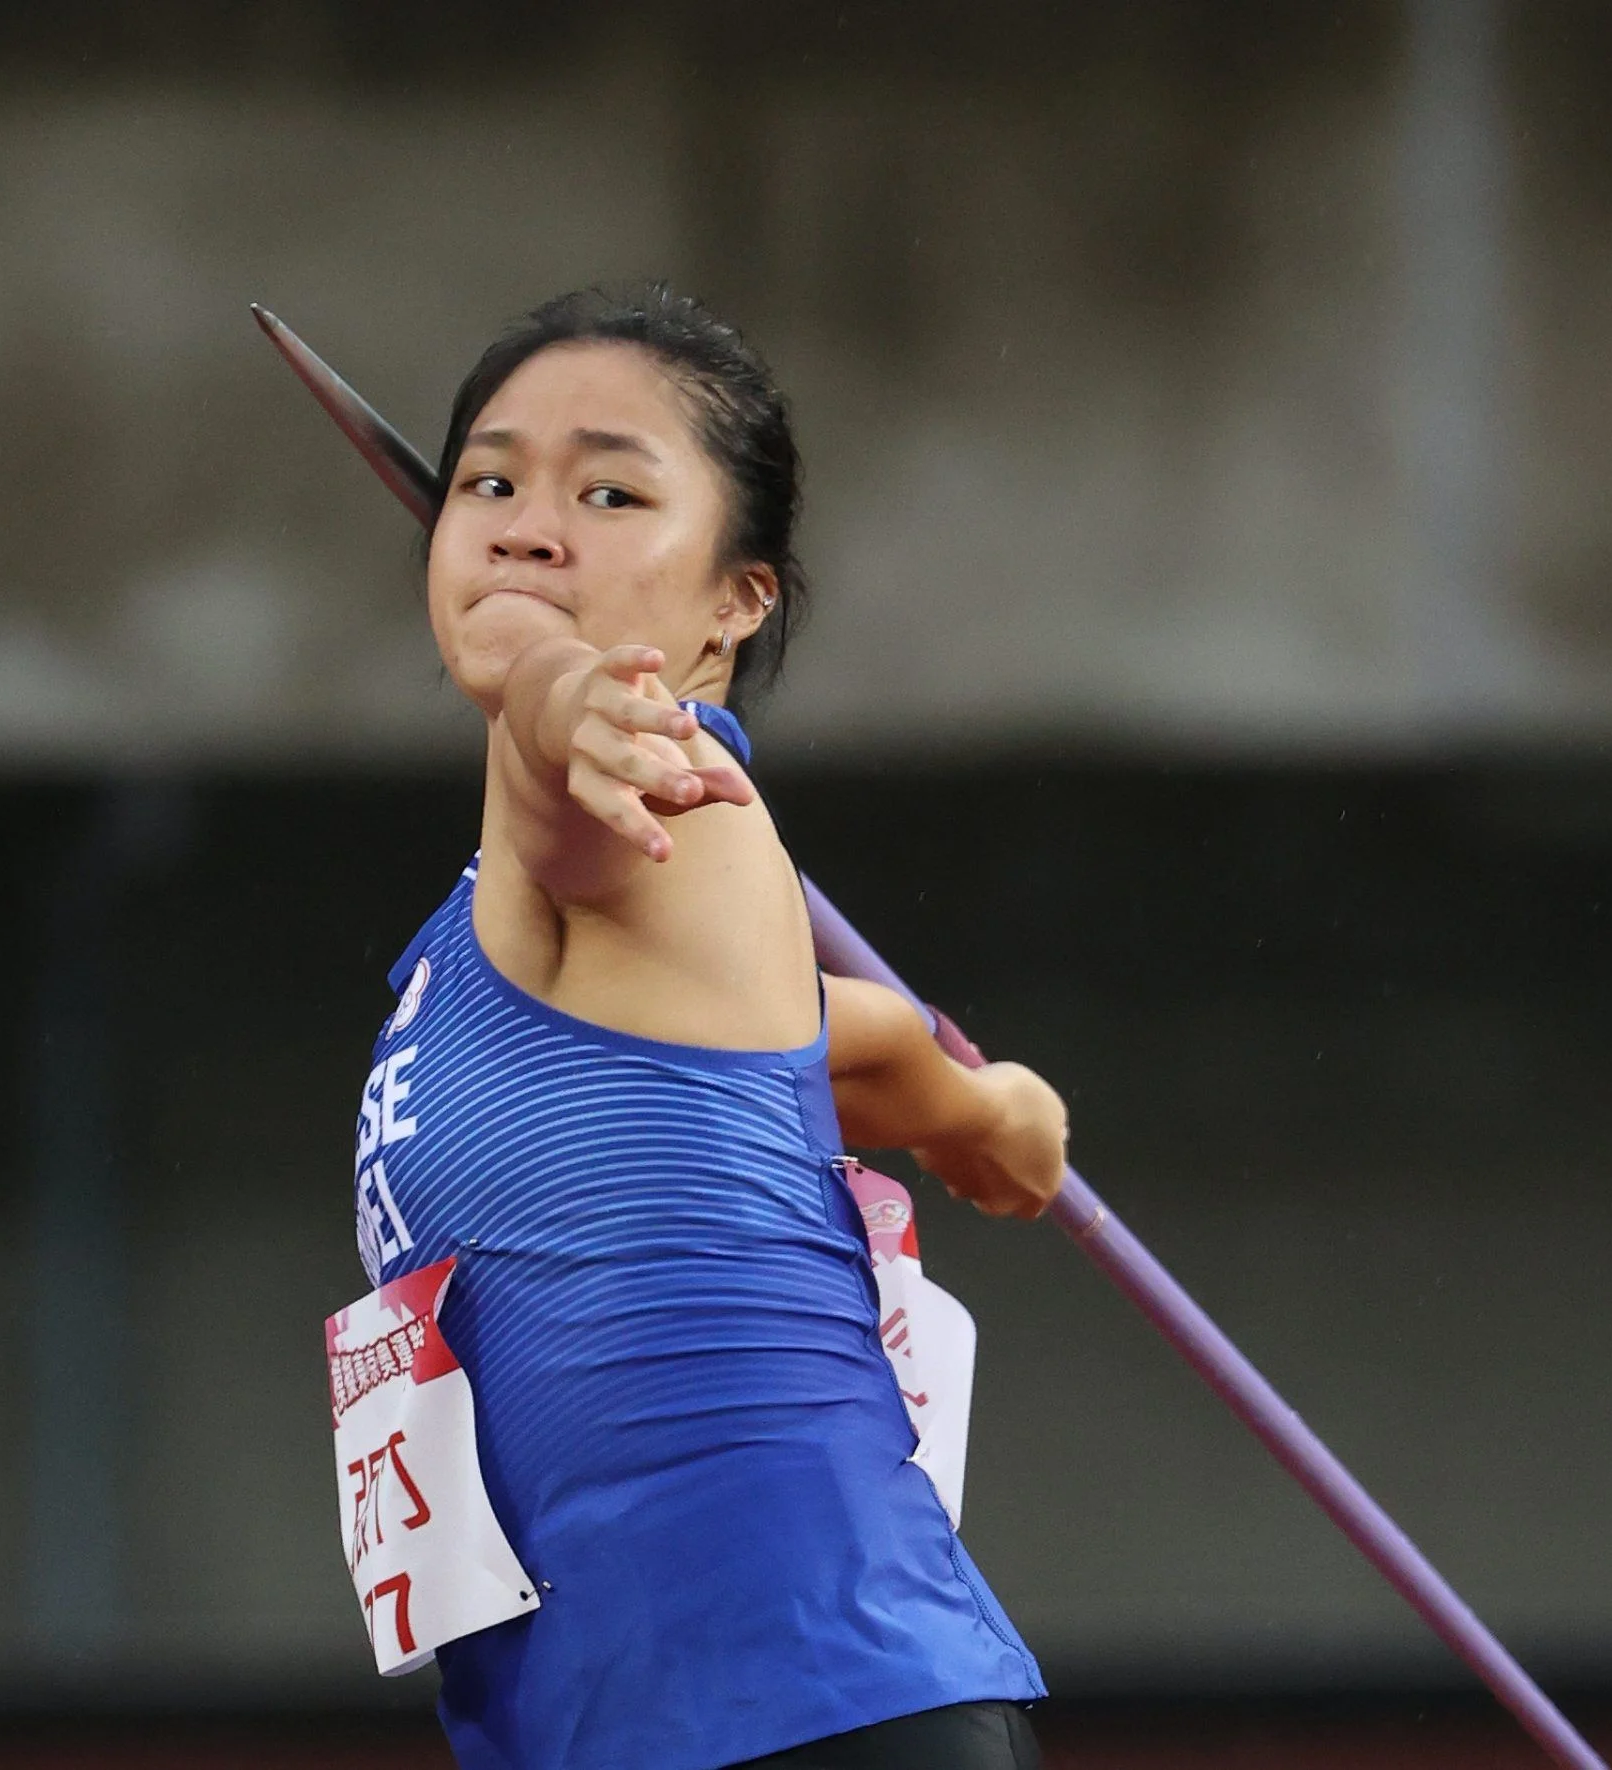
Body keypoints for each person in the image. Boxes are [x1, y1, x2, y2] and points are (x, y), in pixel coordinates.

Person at [349, 284, 1069, 1770]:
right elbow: (793, 1041)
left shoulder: (657, 800)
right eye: (490, 482)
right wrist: (969, 1105)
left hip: (811, 1710)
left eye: (609, 491)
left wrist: (561, 694)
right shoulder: (516, 930)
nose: (531, 526)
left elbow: (565, 735)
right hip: (636, 1728)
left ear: (739, 596)